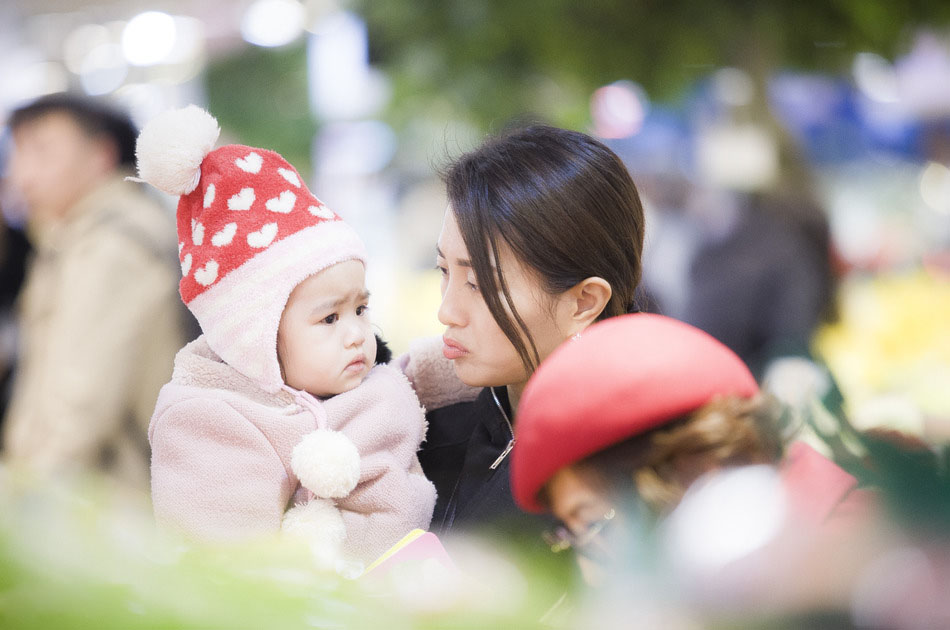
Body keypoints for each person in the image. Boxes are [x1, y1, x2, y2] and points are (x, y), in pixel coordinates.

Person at [137, 106, 435, 570]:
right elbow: (225, 566)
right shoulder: (211, 419)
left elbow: (433, 371)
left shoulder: (373, 382)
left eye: (360, 308)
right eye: (329, 319)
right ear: (253, 336)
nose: (357, 334)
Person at [412, 125, 646, 538]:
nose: (447, 311)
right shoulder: (418, 426)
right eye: (444, 271)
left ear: (584, 301)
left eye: (480, 284)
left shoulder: (640, 480)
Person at [510, 313, 869, 579]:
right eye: (575, 537)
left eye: (594, 526)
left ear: (698, 468)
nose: (592, 575)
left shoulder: (851, 569)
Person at [1, 93, 189, 490]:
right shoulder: (73, 237)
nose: (22, 175)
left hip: (108, 508)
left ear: (101, 155)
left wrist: (24, 499)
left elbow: (77, 408)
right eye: (18, 153)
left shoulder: (110, 247)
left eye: (42, 151)